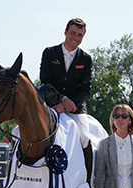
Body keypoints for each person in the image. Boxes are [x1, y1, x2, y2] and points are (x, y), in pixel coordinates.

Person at [40, 18, 93, 148]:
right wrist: (62, 99)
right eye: (73, 33)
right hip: (50, 104)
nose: (75, 37)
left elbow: (86, 89)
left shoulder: (86, 59)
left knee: (85, 139)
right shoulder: (49, 53)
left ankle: (88, 169)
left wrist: (69, 105)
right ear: (65, 32)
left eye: (79, 35)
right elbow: (45, 80)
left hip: (76, 107)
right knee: (20, 131)